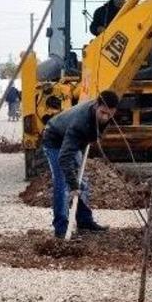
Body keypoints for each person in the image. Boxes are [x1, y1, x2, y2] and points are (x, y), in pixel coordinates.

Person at [41, 90, 117, 238]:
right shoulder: (79, 123)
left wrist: (77, 184)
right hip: (55, 140)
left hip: (74, 141)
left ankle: (84, 221)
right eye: (102, 112)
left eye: (109, 114)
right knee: (63, 184)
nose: (105, 117)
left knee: (82, 182)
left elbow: (90, 134)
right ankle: (61, 229)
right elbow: (64, 158)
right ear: (96, 106)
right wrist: (73, 186)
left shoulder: (102, 114)